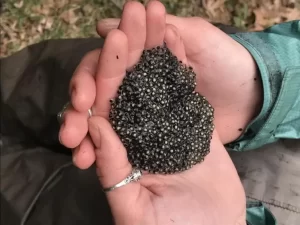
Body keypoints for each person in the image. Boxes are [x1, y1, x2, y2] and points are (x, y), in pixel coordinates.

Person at [1, 1, 299, 225]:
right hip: (251, 96)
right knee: (39, 83)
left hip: (189, 207)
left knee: (32, 198)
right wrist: (265, 82)